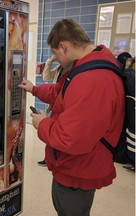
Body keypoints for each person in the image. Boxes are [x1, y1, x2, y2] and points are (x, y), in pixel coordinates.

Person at [19, 19, 124, 216]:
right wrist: (34, 89)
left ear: (63, 46)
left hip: (78, 171)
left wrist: (43, 124)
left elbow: (71, 139)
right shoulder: (86, 66)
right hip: (76, 167)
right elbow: (61, 93)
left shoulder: (93, 79)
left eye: (55, 53)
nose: (56, 58)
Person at [38, 55, 72, 167]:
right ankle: (48, 158)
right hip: (52, 104)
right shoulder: (59, 68)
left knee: (55, 132)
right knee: (49, 131)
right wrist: (50, 61)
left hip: (61, 106)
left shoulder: (73, 72)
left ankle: (53, 158)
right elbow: (46, 76)